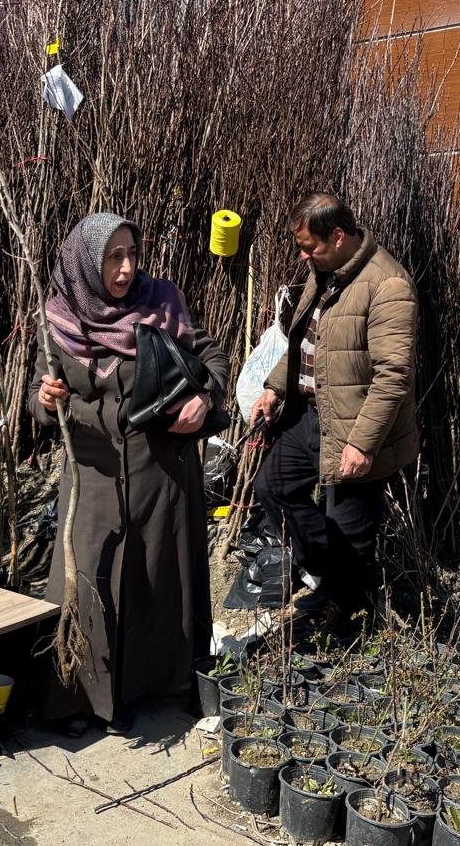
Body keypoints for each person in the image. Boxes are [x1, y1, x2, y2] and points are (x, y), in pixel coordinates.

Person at [30, 212, 230, 737]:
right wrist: (46, 401)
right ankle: (76, 695)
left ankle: (149, 689)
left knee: (154, 578)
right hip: (91, 476)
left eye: (131, 255)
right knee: (87, 578)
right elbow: (38, 401)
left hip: (159, 471)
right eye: (112, 257)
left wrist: (203, 398)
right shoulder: (57, 318)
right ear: (85, 264)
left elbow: (212, 359)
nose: (125, 269)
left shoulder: (161, 303)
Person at [251, 193, 418, 622]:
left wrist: (362, 444)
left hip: (359, 427)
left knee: (350, 523)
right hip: (311, 416)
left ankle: (349, 619)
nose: (304, 255)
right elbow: (306, 340)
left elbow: (393, 376)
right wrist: (273, 387)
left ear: (338, 236)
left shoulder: (388, 285)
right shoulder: (323, 271)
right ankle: (341, 582)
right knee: (273, 486)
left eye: (311, 246)